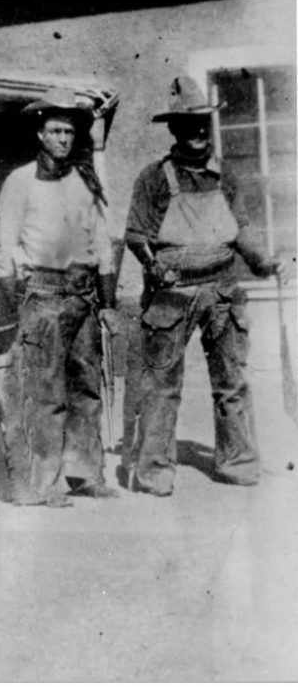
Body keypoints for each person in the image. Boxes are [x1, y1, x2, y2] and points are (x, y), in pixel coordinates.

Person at [122, 76, 288, 496]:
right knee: (161, 386)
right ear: (174, 130)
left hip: (222, 291)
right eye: (186, 126)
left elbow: (243, 229)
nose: (196, 133)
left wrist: (264, 261)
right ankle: (154, 472)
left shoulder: (226, 177)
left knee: (231, 381)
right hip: (172, 294)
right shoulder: (153, 178)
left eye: (202, 126)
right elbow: (136, 235)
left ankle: (238, 463)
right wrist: (151, 266)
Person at [0, 85, 121, 506]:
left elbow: (102, 239)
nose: (64, 139)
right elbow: (3, 246)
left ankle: (84, 473)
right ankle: (40, 483)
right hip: (41, 295)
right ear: (40, 135)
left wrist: (107, 302)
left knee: (85, 388)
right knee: (44, 393)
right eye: (56, 131)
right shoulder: (20, 182)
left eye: (69, 132)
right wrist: (15, 299)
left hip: (83, 295)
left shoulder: (86, 181)